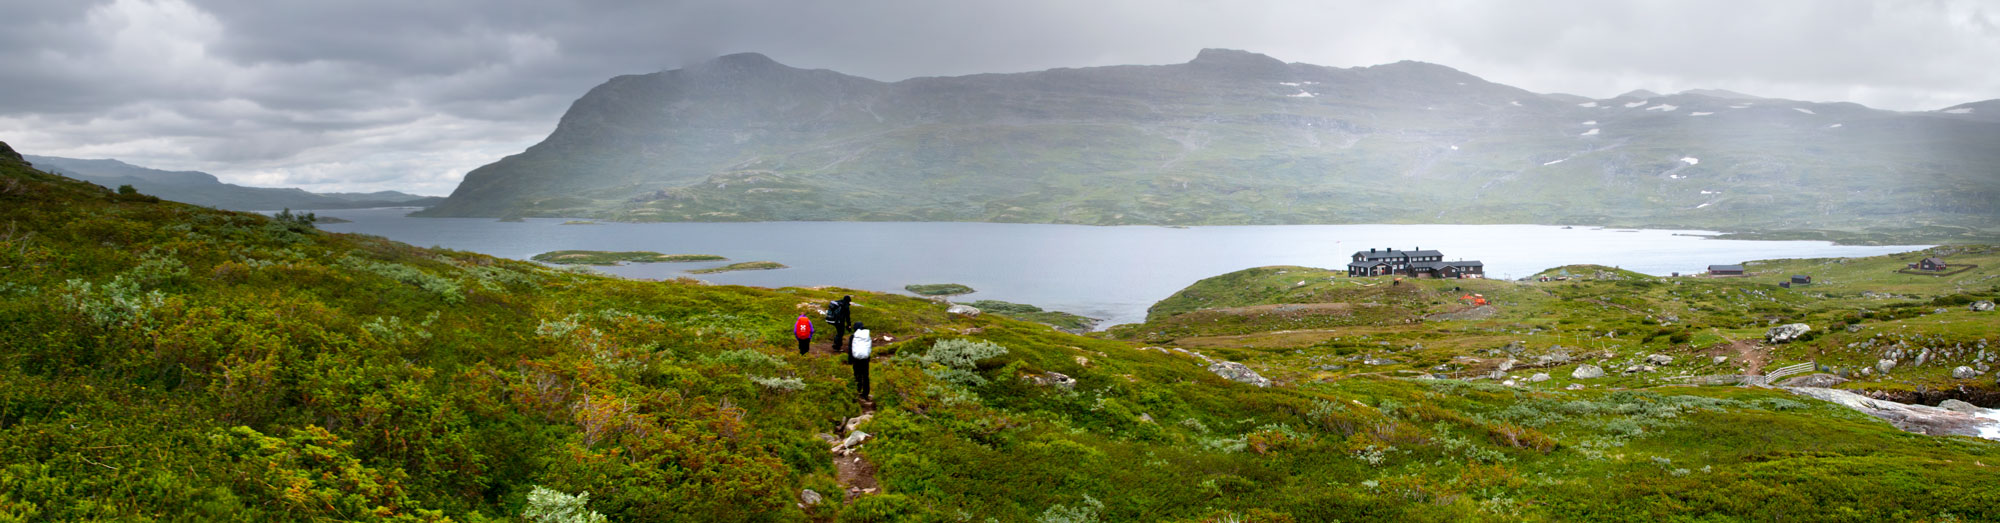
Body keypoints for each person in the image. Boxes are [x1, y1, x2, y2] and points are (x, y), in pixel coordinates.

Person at [848, 322, 872, 401]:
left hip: (856, 359)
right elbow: (869, 347)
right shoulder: (867, 336)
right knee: (865, 376)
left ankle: (857, 390)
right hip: (865, 359)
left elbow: (850, 348)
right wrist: (868, 357)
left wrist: (850, 360)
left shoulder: (853, 336)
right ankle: (865, 393)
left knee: (857, 374)